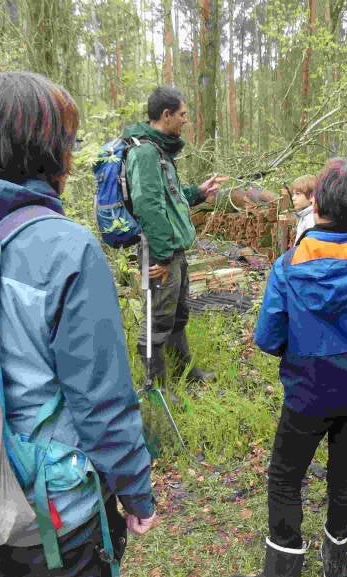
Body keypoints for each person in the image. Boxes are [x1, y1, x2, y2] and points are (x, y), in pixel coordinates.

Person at [0, 71, 156, 577]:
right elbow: (100, 401)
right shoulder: (66, 250)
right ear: (54, 151)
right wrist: (134, 489)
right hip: (57, 512)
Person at [227, 159, 347, 577]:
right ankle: (336, 561)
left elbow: (268, 337)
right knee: (345, 472)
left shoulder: (288, 265)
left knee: (285, 475)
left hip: (307, 390)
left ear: (318, 204)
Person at [123, 86, 226, 385]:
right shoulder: (144, 153)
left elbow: (172, 198)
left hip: (172, 251)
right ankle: (156, 387)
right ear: (166, 115)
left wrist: (199, 193)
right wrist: (164, 257)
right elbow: (148, 207)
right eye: (182, 114)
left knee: (178, 314)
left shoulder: (160, 152)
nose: (185, 120)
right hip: (160, 253)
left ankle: (184, 371)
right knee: (158, 318)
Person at [291, 174, 317, 244]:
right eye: (293, 194)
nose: (293, 198)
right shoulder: (303, 216)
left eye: (298, 194)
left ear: (311, 196)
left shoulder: (311, 219)